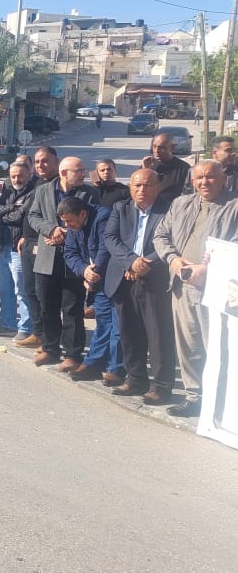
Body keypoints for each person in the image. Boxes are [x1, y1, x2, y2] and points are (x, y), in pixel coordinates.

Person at [153, 160, 238, 418]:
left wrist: (208, 269)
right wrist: (173, 260)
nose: (204, 182)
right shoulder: (181, 204)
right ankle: (194, 397)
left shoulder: (234, 206)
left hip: (217, 290)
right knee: (188, 346)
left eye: (210, 177)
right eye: (199, 178)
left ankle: (221, 402)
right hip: (182, 286)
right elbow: (161, 235)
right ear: (192, 181)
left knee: (218, 348)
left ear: (223, 179)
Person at [103, 169, 176, 398]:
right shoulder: (120, 208)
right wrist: (131, 262)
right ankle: (135, 380)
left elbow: (173, 240)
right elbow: (110, 238)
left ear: (157, 187)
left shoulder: (169, 209)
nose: (141, 190)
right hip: (124, 278)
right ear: (130, 188)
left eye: (147, 185)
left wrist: (144, 263)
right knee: (129, 333)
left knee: (158, 334)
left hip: (155, 278)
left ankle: (161, 386)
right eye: (137, 185)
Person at [27, 156, 101, 369]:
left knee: (72, 309)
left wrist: (65, 234)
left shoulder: (91, 193)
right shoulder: (43, 190)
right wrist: (51, 230)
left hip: (75, 258)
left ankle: (73, 354)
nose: (84, 174)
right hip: (47, 256)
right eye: (80, 171)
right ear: (64, 173)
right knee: (47, 306)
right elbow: (33, 216)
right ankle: (50, 348)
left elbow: (92, 221)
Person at [59, 196, 126, 386]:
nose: (67, 225)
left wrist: (91, 276)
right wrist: (84, 271)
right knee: (103, 322)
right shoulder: (73, 227)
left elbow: (106, 250)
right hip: (97, 280)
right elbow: (70, 253)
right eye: (64, 222)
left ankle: (116, 369)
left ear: (82, 214)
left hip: (115, 277)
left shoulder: (104, 217)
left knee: (118, 325)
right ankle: (94, 364)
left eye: (70, 221)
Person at [12, 147, 59, 349]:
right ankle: (38, 333)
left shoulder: (58, 185)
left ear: (56, 161)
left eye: (45, 161)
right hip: (28, 244)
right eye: (38, 162)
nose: (41, 165)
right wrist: (24, 236)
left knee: (44, 294)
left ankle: (50, 339)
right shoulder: (37, 183)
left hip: (45, 245)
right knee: (30, 290)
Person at [0, 159, 36, 341]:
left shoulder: (33, 191)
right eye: (13, 176)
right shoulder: (8, 189)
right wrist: (10, 208)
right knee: (5, 288)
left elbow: (20, 216)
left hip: (19, 248)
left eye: (20, 176)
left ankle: (26, 327)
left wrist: (4, 215)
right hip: (3, 246)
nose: (16, 179)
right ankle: (8, 323)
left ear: (29, 175)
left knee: (21, 290)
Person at [142, 131, 191, 209]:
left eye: (161, 147)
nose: (156, 151)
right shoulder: (147, 165)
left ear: (172, 148)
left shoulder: (183, 168)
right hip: (149, 209)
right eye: (154, 146)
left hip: (172, 210)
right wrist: (146, 171)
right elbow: (139, 189)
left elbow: (189, 194)